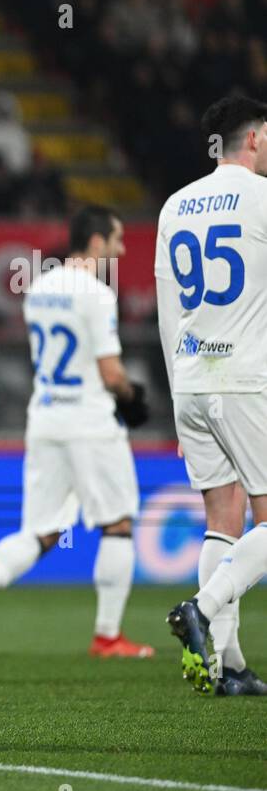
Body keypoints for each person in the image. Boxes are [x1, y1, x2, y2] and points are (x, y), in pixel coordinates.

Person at [0, 205, 153, 658]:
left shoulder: (39, 287)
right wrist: (132, 397)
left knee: (41, 531)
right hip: (90, 422)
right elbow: (109, 371)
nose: (121, 250)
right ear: (97, 241)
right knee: (117, 522)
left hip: (45, 418)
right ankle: (108, 636)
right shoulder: (98, 294)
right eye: (117, 240)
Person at [156, 94, 267, 696]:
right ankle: (200, 608)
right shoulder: (263, 200)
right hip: (246, 379)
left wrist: (181, 398)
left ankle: (227, 666)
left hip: (192, 380)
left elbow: (169, 312)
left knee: (222, 522)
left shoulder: (175, 206)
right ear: (253, 140)